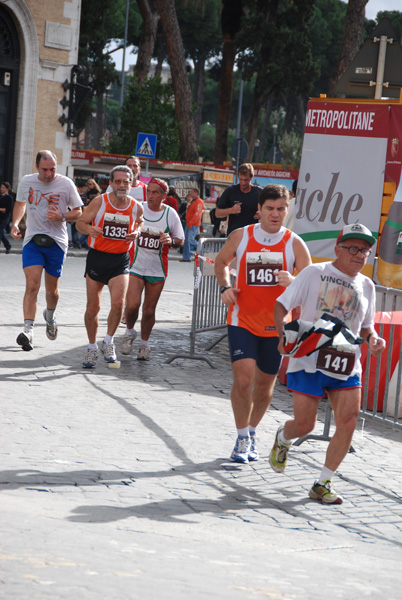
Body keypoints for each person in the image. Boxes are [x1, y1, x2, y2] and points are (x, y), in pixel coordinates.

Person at [269, 223, 386, 504]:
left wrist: (374, 339)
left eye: (365, 251)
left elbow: (366, 326)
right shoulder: (315, 273)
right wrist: (283, 335)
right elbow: (281, 305)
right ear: (338, 249)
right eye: (354, 248)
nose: (360, 255)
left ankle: (323, 482)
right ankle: (283, 438)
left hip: (346, 362)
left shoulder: (368, 285)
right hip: (309, 359)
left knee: (348, 420)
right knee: (304, 426)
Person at [214, 184, 311, 463]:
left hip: (277, 325)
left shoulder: (294, 243)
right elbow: (221, 262)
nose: (275, 214)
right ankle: (242, 436)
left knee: (265, 386)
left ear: (287, 210)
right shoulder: (241, 236)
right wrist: (225, 287)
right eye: (270, 208)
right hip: (241, 319)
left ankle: (253, 431)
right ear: (259, 210)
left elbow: (308, 283)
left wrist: (293, 282)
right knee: (243, 380)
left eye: (281, 208)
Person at [10, 150, 83, 350]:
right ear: (37, 167)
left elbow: (78, 211)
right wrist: (15, 223)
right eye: (45, 169)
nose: (49, 174)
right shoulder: (27, 181)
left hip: (57, 242)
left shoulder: (66, 184)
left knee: (52, 291)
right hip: (33, 240)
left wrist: (61, 216)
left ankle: (49, 316)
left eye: (52, 169)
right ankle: (28, 331)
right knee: (32, 284)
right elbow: (20, 204)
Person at [75, 165, 143, 368]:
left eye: (126, 182)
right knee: (93, 307)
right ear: (111, 183)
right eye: (118, 181)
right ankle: (91, 347)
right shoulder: (99, 202)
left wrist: (137, 232)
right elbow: (79, 223)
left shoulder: (135, 206)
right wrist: (90, 229)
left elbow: (140, 221)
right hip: (97, 258)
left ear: (131, 183)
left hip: (120, 260)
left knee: (117, 304)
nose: (122, 185)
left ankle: (108, 342)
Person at [120, 177, 184, 361]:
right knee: (132, 305)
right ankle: (130, 332)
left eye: (156, 192)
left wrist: (171, 241)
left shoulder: (170, 214)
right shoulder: (138, 207)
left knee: (149, 310)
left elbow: (181, 239)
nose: (151, 196)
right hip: (135, 265)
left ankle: (144, 344)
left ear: (164, 195)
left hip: (157, 269)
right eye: (149, 191)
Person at [215, 163, 261, 235]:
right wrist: (231, 210)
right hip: (234, 235)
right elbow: (217, 213)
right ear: (238, 176)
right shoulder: (230, 191)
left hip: (252, 236)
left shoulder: (259, 192)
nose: (243, 183)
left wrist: (262, 215)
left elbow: (269, 210)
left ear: (251, 177)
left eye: (246, 180)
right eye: (241, 179)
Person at [180, 187, 204, 262]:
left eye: (192, 192)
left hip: (193, 224)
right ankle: (186, 257)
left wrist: (190, 223)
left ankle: (204, 249)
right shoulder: (195, 201)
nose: (190, 193)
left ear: (196, 193)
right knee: (186, 241)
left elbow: (197, 214)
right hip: (190, 223)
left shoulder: (198, 202)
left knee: (190, 240)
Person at [0, 181, 13, 253]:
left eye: (3, 188)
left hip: (5, 217)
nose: (1, 189)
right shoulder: (0, 196)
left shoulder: (9, 198)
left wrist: (1, 209)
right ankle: (8, 246)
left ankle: (8, 246)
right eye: (1, 187)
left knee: (0, 230)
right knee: (1, 232)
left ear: (7, 189)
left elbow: (8, 209)